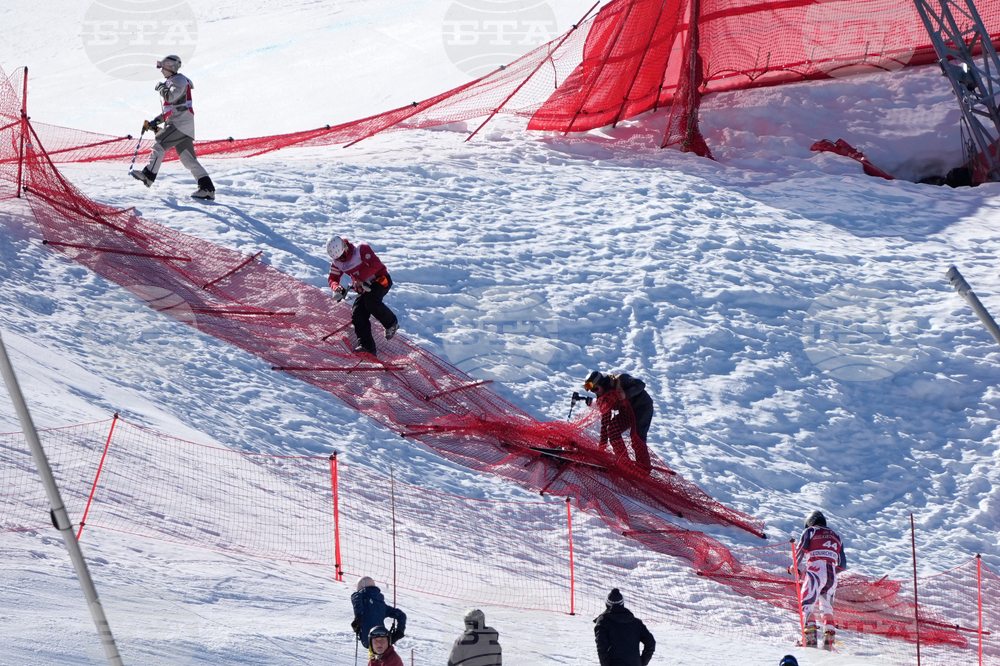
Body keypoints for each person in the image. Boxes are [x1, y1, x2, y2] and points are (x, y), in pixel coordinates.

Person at [131, 55, 216, 201]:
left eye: (163, 67)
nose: (161, 70)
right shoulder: (175, 81)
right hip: (183, 124)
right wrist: (155, 121)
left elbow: (170, 97)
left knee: (159, 143)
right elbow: (171, 108)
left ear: (171, 67)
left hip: (180, 124)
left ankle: (148, 175)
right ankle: (207, 189)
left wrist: (161, 87)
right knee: (188, 159)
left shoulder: (179, 80)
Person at [327, 236, 399, 355]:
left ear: (345, 248)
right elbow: (332, 278)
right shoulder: (337, 263)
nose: (342, 260)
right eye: (338, 258)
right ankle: (367, 347)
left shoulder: (361, 249)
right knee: (357, 313)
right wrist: (337, 288)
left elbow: (376, 265)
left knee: (371, 301)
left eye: (343, 256)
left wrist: (360, 279)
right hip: (364, 287)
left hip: (381, 280)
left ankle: (391, 323)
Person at [795, 510, 846, 650]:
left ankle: (810, 640)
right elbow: (842, 565)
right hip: (832, 574)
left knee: (807, 603)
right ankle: (829, 642)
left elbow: (800, 550)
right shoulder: (837, 536)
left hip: (815, 571)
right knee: (827, 608)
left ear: (810, 521)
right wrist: (829, 569)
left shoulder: (810, 531)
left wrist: (794, 567)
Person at [584, 371, 653, 471]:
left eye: (596, 389)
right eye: (592, 391)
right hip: (627, 411)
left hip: (642, 407)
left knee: (637, 437)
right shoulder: (603, 398)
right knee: (612, 429)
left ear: (602, 383)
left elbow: (641, 385)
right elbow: (605, 422)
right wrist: (601, 448)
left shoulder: (620, 380)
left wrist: (626, 394)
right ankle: (624, 462)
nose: (595, 393)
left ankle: (644, 469)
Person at [594, 588, 655, 666]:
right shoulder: (636, 623)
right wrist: (641, 662)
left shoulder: (603, 622)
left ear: (607, 604)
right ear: (622, 604)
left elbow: (601, 647)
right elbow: (651, 643)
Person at [352, 576, 406, 650]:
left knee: (374, 657)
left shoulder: (359, 596)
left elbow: (357, 598)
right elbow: (401, 615)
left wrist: (358, 617)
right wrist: (399, 632)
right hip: (383, 639)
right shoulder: (381, 605)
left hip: (369, 638)